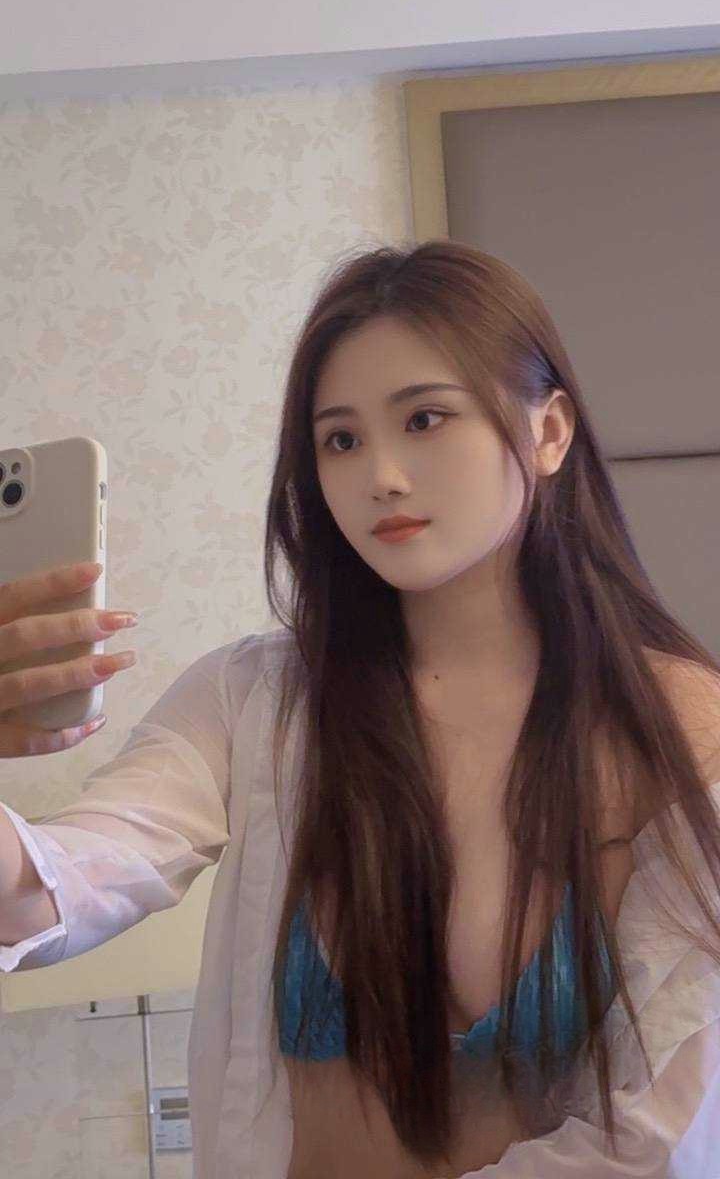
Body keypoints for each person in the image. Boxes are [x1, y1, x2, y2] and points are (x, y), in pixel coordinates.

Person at [1, 239, 720, 1179]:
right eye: (340, 439)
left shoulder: (678, 728)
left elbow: (663, 1132)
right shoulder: (254, 700)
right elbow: (58, 883)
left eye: (425, 418)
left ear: (548, 433)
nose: (381, 473)